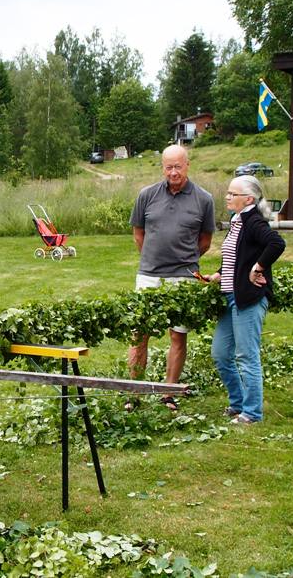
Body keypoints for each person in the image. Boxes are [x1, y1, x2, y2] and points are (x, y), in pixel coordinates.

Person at [126, 144, 215, 411]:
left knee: (178, 335)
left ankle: (168, 392)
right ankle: (135, 392)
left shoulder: (204, 199)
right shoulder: (146, 195)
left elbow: (205, 241)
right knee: (139, 334)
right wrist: (153, 258)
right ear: (162, 167)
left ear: (188, 164)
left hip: (184, 277)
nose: (173, 172)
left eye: (178, 166)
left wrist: (182, 260)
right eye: (168, 167)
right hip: (149, 276)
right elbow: (138, 234)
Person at [202, 175, 285, 424]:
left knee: (247, 356)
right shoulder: (236, 221)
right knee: (220, 354)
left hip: (247, 298)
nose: (227, 197)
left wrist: (258, 268)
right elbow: (235, 257)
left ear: (248, 199)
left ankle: (252, 413)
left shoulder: (253, 222)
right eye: (227, 193)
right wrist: (218, 274)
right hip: (230, 295)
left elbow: (276, 243)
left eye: (232, 194)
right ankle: (237, 403)